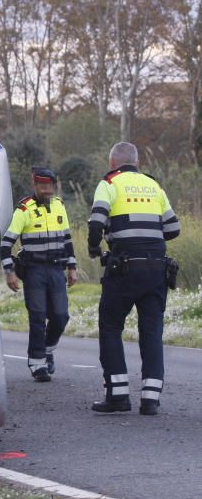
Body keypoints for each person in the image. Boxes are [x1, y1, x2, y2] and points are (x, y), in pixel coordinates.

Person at [88, 142, 180, 415]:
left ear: (113, 161)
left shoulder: (109, 183)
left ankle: (118, 396)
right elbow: (173, 229)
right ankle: (150, 400)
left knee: (111, 326)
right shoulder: (154, 186)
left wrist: (95, 248)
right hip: (156, 269)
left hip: (124, 268)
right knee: (152, 331)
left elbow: (96, 223)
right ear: (137, 162)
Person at [0, 167, 78, 382]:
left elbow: (68, 240)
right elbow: (6, 245)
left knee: (61, 316)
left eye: (49, 186)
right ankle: (37, 365)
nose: (46, 189)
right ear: (35, 186)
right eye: (42, 186)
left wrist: (72, 267)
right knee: (37, 317)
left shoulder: (59, 206)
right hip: (34, 271)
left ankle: (47, 349)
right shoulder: (24, 209)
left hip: (56, 269)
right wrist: (10, 272)